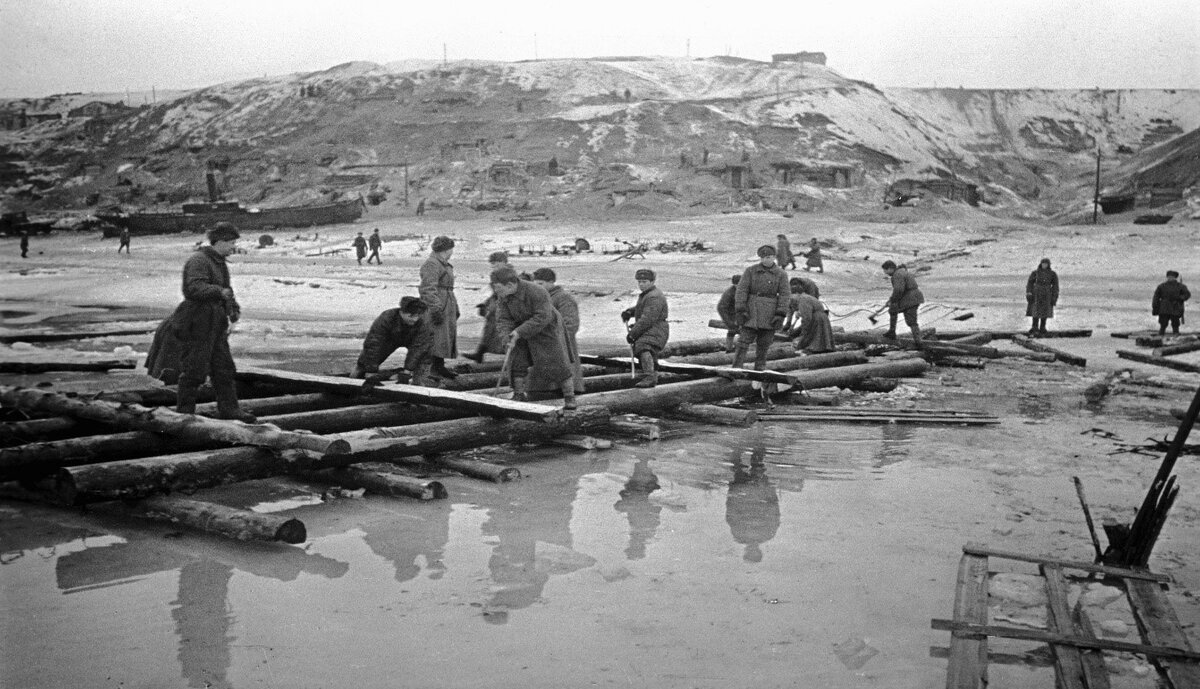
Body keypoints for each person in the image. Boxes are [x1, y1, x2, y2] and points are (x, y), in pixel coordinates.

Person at [170, 222, 255, 422]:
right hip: (198, 320)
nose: (233, 247)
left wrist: (232, 309)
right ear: (220, 241)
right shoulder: (199, 260)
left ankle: (230, 410)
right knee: (194, 369)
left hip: (215, 321)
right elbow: (192, 288)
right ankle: (184, 414)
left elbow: (225, 290)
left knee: (224, 368)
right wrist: (219, 292)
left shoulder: (218, 261)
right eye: (231, 242)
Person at [492, 266, 577, 409]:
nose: (496, 292)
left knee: (557, 361)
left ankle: (569, 397)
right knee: (516, 359)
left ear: (510, 285)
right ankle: (518, 394)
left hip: (546, 327)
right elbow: (503, 319)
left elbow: (543, 316)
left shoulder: (537, 291)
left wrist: (519, 332)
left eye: (498, 288)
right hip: (519, 329)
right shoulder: (503, 296)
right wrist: (506, 337)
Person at [353, 296, 434, 385]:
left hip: (415, 342)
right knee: (364, 364)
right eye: (411, 316)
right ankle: (354, 378)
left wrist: (407, 372)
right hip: (389, 340)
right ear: (401, 312)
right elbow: (373, 344)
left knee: (424, 356)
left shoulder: (424, 323)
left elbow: (419, 348)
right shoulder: (386, 318)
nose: (415, 319)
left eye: (417, 316)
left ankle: (419, 382)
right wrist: (371, 372)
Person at [733, 245, 789, 371]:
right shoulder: (750, 271)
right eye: (763, 257)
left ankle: (760, 368)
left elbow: (785, 295)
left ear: (774, 257)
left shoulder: (781, 274)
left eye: (768, 257)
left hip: (770, 313)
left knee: (764, 343)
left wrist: (780, 314)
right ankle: (736, 368)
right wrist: (741, 309)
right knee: (743, 341)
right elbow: (741, 290)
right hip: (751, 311)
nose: (766, 260)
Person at [533, 267, 585, 394]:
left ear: (551, 282)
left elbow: (570, 325)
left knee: (565, 381)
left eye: (541, 284)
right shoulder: (541, 298)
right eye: (536, 285)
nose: (538, 288)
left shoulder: (563, 298)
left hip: (562, 347)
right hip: (545, 347)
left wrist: (552, 337)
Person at [419, 235, 460, 379]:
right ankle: (431, 370)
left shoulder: (442, 263)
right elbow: (427, 289)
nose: (452, 252)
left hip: (446, 302)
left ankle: (439, 366)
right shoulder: (432, 264)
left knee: (443, 337)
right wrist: (435, 308)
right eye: (451, 249)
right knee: (436, 337)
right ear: (446, 250)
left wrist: (454, 306)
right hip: (438, 304)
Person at [621, 269, 669, 388]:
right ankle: (653, 373)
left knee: (643, 346)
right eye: (639, 282)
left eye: (645, 281)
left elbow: (648, 319)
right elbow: (641, 308)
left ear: (652, 282)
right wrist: (630, 312)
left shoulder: (654, 297)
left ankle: (649, 376)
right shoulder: (648, 295)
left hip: (656, 329)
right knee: (647, 348)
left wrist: (633, 333)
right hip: (653, 328)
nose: (641, 284)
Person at [464, 251, 510, 363]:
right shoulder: (495, 275)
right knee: (489, 331)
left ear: (504, 263)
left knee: (503, 334)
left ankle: (512, 359)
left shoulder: (510, 275)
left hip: (505, 307)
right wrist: (486, 304)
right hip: (495, 307)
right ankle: (479, 354)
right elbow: (495, 294)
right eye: (493, 265)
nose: (494, 267)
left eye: (497, 265)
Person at [881, 260, 924, 346]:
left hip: (910, 298)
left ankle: (919, 343)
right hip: (912, 297)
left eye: (886, 271)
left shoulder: (897, 275)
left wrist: (893, 300)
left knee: (911, 320)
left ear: (890, 268)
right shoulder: (901, 272)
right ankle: (892, 332)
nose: (885, 273)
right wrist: (891, 300)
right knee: (894, 310)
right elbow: (900, 290)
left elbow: (899, 290)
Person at [1025, 258, 1059, 335]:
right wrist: (1029, 293)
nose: (1044, 265)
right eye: (1043, 264)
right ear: (1041, 264)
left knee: (1045, 311)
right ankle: (1034, 327)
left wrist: (1054, 297)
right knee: (1035, 310)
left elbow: (1055, 287)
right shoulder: (1035, 273)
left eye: (1046, 264)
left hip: (1047, 295)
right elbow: (1030, 283)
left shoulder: (1052, 274)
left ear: (1048, 265)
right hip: (1036, 294)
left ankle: (1043, 327)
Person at [1152, 270, 1190, 336]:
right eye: (1169, 277)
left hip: (1175, 307)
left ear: (1175, 278)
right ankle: (1160, 336)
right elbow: (1156, 297)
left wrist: (1181, 298)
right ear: (1167, 277)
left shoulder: (1181, 286)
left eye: (1172, 277)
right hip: (1164, 307)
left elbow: (1187, 294)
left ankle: (1176, 335)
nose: (1170, 278)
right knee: (1163, 323)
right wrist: (1155, 307)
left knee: (1175, 324)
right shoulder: (1161, 286)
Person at [716, 274, 741, 353]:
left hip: (740, 314)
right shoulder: (729, 293)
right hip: (732, 316)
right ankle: (729, 349)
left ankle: (738, 348)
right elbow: (721, 308)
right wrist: (728, 321)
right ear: (734, 284)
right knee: (732, 331)